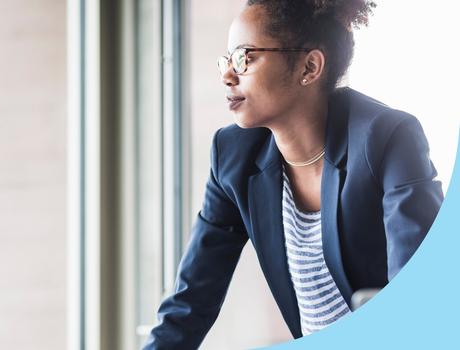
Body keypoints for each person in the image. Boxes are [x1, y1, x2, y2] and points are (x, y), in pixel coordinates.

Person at [143, 0, 444, 348]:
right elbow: (190, 301)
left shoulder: (386, 138)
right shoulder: (233, 154)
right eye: (227, 60)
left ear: (310, 66)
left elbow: (418, 292)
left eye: (244, 57)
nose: (228, 74)